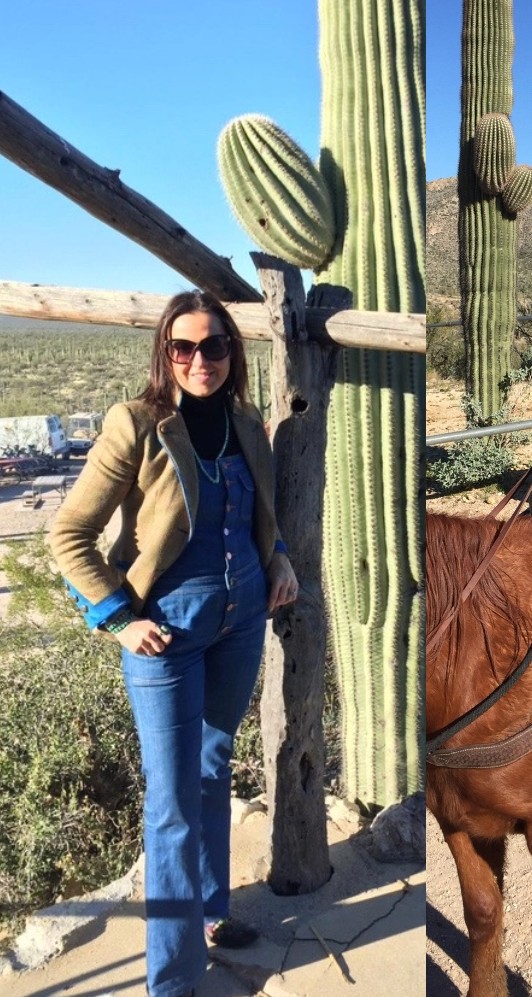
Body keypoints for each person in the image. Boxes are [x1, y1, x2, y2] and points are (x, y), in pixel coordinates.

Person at [50, 290, 299, 997]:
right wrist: (116, 618)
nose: (199, 360)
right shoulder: (137, 424)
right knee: (171, 805)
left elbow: (260, 512)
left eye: (213, 345)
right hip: (164, 636)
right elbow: (68, 535)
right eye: (182, 347)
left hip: (241, 621)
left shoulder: (246, 423)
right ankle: (173, 978)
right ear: (165, 352)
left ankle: (211, 913)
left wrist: (279, 558)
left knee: (213, 767)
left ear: (232, 351)